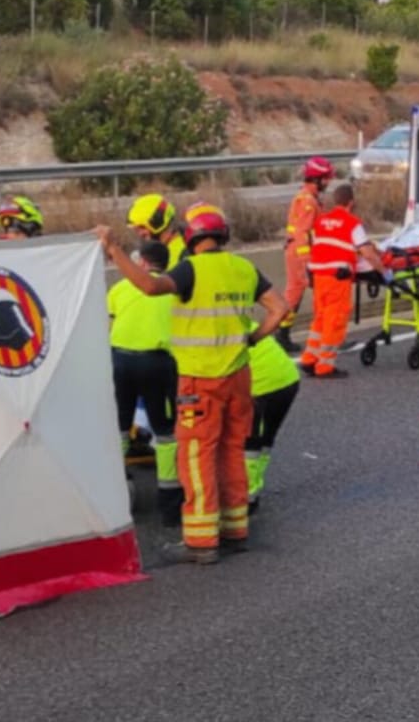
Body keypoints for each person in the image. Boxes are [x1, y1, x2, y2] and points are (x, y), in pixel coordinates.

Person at [98, 204, 287, 564]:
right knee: (233, 452)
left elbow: (150, 286)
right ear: (223, 237)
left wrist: (114, 250)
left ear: (191, 237)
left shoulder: (190, 269)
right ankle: (235, 530)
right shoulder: (244, 269)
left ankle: (201, 541)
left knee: (197, 456)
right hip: (238, 377)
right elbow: (279, 308)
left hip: (200, 380)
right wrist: (254, 339)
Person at [108, 239, 180, 524]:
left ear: (141, 262)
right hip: (158, 363)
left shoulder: (120, 288)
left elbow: (112, 318)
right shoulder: (172, 291)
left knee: (120, 426)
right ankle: (169, 500)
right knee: (165, 431)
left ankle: (115, 486)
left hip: (121, 361)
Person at [300, 183, 387, 378]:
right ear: (351, 202)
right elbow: (367, 253)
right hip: (337, 278)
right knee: (335, 321)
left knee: (320, 319)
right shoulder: (352, 222)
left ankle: (309, 359)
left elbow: (323, 246)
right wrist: (384, 271)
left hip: (318, 275)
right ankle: (325, 366)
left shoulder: (321, 221)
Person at [244, 327, 301, 512]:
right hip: (287, 379)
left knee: (247, 444)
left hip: (259, 385)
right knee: (265, 440)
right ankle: (253, 492)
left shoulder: (201, 329)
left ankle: (246, 498)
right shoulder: (240, 318)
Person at [282, 158, 333, 339]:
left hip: (294, 252)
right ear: (317, 179)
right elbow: (303, 234)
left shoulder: (304, 197)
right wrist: (308, 262)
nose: (328, 182)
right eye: (326, 178)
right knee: (321, 293)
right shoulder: (309, 202)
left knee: (294, 293)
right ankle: (326, 334)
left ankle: (283, 334)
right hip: (302, 255)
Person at [128, 193, 186, 270]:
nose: (140, 234)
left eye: (142, 227)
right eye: (137, 229)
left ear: (158, 223)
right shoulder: (165, 251)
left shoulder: (182, 255)